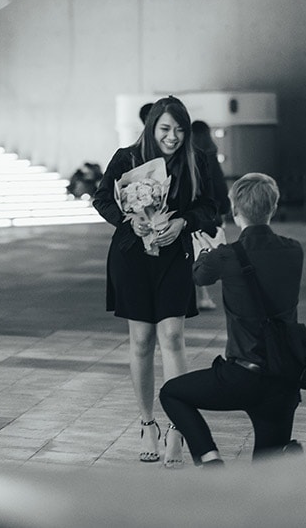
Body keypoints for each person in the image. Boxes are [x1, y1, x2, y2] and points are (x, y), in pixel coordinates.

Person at [92, 96, 219, 468]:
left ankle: (178, 427)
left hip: (174, 257)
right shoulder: (126, 158)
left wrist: (183, 222)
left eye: (179, 130)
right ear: (151, 128)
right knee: (142, 340)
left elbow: (210, 206)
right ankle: (148, 424)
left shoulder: (197, 161)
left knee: (173, 337)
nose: (173, 137)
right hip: (132, 257)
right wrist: (128, 220)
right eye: (165, 129)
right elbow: (102, 199)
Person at [159, 172, 303, 467]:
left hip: (241, 376)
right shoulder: (294, 250)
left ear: (235, 210)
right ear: (273, 208)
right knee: (265, 470)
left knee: (172, 393)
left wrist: (209, 252)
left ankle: (210, 458)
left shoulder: (226, 256)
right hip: (283, 380)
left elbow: (200, 276)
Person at [190, 120, 231, 311]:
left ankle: (198, 295)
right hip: (210, 214)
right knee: (204, 254)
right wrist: (224, 208)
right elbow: (219, 184)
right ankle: (203, 297)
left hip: (190, 214)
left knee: (192, 254)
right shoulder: (209, 155)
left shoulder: (187, 156)